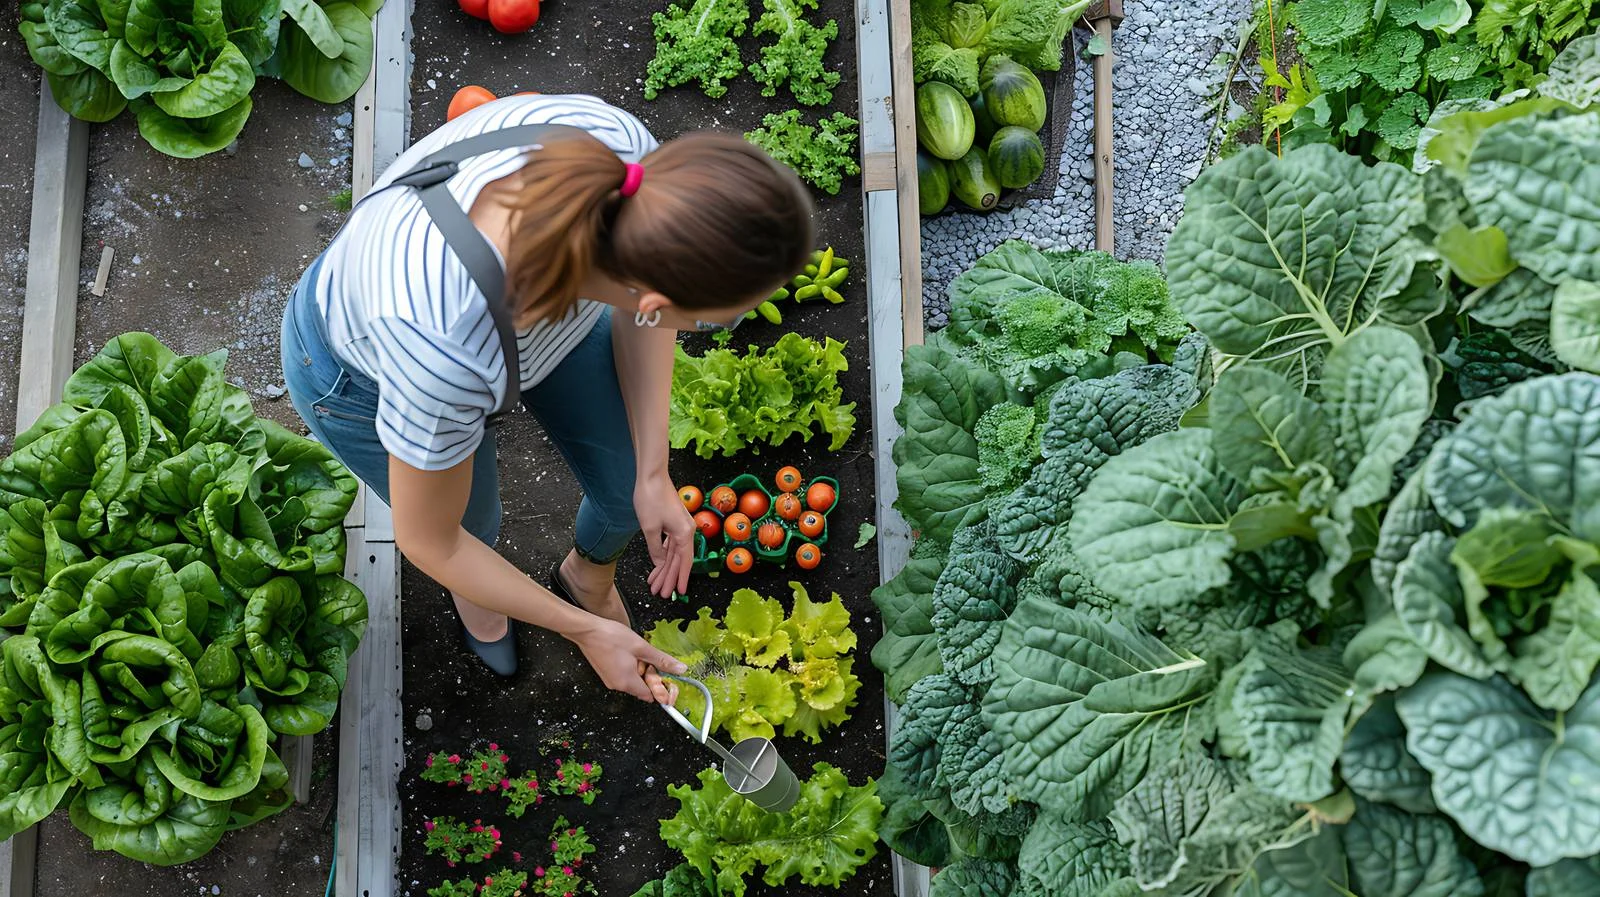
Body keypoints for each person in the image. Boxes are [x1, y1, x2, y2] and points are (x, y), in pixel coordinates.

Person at [279, 93, 815, 703]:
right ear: (657, 301)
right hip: (362, 373)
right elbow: (433, 540)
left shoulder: (626, 157)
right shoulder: (444, 347)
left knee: (622, 491)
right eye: (712, 320)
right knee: (473, 526)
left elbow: (643, 313)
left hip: (534, 315)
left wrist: (652, 471)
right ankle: (485, 614)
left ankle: (584, 576)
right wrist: (585, 633)